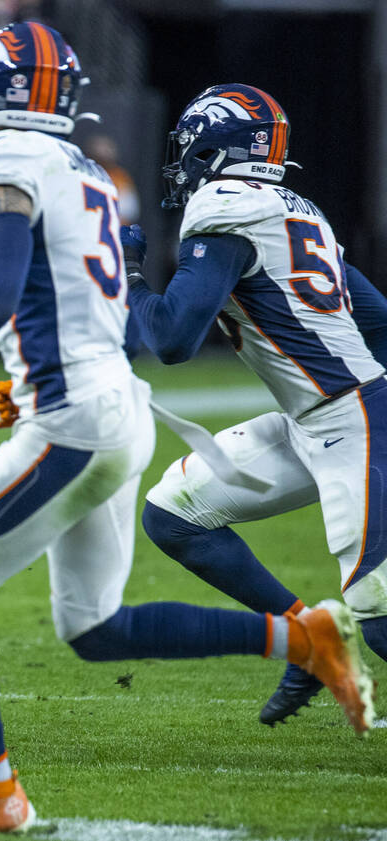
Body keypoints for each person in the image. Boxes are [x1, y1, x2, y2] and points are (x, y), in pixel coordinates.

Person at [0, 25, 375, 834]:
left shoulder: (5, 157)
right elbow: (95, 312)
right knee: (95, 628)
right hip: (113, 405)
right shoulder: (81, 167)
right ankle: (304, 637)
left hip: (80, 417)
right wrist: (32, 374)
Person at [125, 84, 387, 727]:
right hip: (320, 418)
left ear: (214, 148)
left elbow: (170, 339)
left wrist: (127, 275)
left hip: (351, 419)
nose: (183, 164)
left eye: (190, 148)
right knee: (173, 514)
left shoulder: (222, 206)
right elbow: (377, 318)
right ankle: (312, 639)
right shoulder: (295, 208)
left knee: (381, 618)